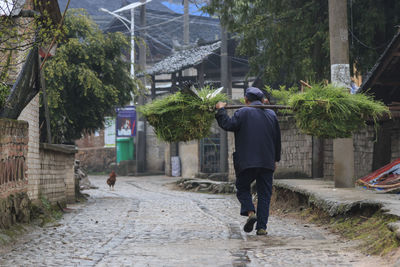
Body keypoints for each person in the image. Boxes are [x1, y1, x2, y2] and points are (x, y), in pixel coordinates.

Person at [215, 87, 281, 235]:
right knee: (265, 194)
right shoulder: (271, 114)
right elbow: (277, 140)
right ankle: (262, 227)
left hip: (247, 162)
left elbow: (228, 124)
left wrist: (220, 110)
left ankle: (251, 213)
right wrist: (275, 159)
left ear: (246, 100)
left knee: (242, 187)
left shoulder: (243, 112)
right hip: (267, 162)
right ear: (263, 100)